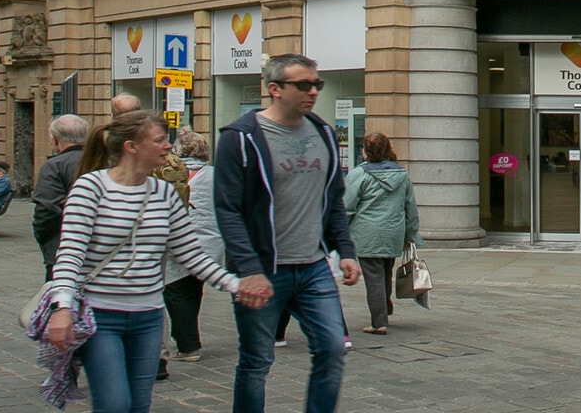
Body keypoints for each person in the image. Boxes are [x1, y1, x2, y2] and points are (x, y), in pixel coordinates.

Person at [45, 110, 270, 413]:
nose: (168, 147)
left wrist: (236, 284)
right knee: (114, 404)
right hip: (101, 316)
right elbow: (69, 255)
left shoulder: (164, 192)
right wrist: (61, 308)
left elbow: (191, 254)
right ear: (131, 147)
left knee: (139, 405)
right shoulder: (90, 188)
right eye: (161, 140)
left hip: (148, 317)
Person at [214, 52, 360, 413]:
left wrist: (347, 251)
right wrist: (248, 269)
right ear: (274, 89)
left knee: (331, 348)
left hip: (313, 266)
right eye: (303, 85)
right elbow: (228, 210)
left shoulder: (324, 132)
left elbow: (333, 200)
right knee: (256, 361)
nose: (312, 92)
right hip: (264, 269)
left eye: (317, 85)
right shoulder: (241, 138)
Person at [343, 132, 420, 334]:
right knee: (384, 273)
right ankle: (384, 307)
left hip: (367, 233)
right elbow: (410, 209)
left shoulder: (359, 175)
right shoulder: (402, 175)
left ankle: (379, 322)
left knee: (373, 278)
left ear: (366, 152)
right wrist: (411, 235)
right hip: (393, 232)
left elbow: (347, 206)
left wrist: (339, 232)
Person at [161, 132, 223, 367]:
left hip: (179, 241)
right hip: (210, 242)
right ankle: (189, 338)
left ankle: (188, 345)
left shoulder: (169, 174)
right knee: (193, 289)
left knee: (175, 291)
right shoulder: (216, 174)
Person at [33, 115, 93, 279]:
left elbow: (46, 209)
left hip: (63, 245)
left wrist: (45, 238)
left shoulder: (55, 165)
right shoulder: (101, 160)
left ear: (55, 139)